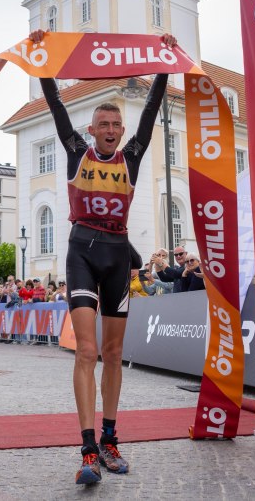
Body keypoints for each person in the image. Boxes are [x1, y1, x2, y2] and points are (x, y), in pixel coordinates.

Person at [32, 28, 174, 485]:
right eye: (104, 126)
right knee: (87, 351)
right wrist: (43, 58)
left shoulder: (132, 156)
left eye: (117, 126)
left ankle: (111, 442)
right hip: (81, 251)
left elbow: (152, 110)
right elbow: (54, 104)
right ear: (92, 130)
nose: (111, 131)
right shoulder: (76, 150)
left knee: (112, 354)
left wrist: (164, 66)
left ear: (122, 131)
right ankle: (88, 449)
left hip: (118, 255)